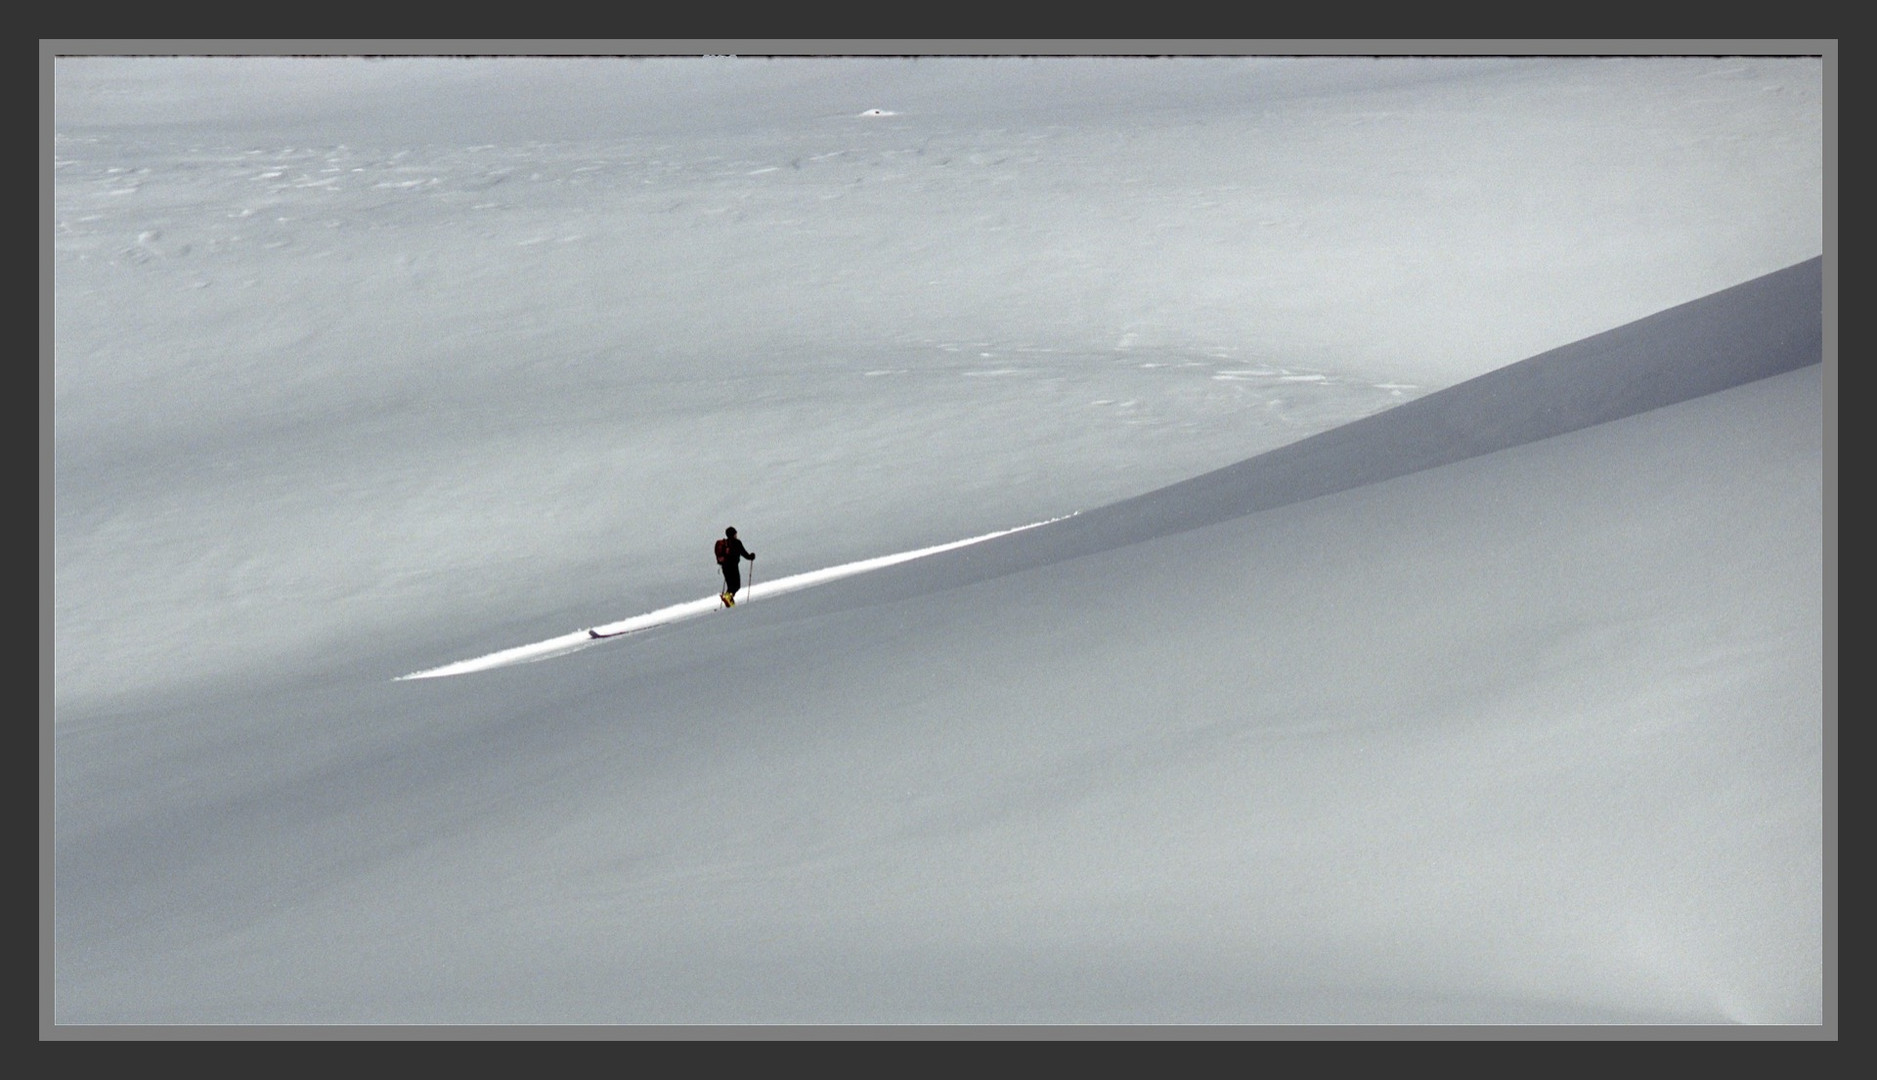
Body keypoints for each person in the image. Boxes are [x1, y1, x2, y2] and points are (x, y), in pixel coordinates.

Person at [714, 526, 755, 606]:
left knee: (730, 586)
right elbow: (744, 554)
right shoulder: (736, 542)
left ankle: (730, 604)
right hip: (733, 567)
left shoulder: (725, 543)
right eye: (735, 533)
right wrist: (751, 557)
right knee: (736, 585)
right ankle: (728, 599)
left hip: (725, 567)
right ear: (733, 534)